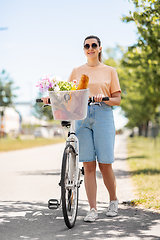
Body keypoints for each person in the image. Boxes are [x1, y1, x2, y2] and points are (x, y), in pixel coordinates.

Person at [68, 35, 121, 222]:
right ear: (84, 49)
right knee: (88, 165)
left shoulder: (110, 71)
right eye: (86, 46)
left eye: (93, 45)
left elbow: (117, 99)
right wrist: (50, 97)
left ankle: (113, 201)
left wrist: (103, 98)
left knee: (105, 164)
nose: (90, 48)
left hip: (103, 115)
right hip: (82, 116)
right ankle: (92, 209)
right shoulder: (76, 70)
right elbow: (68, 94)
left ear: (99, 48)